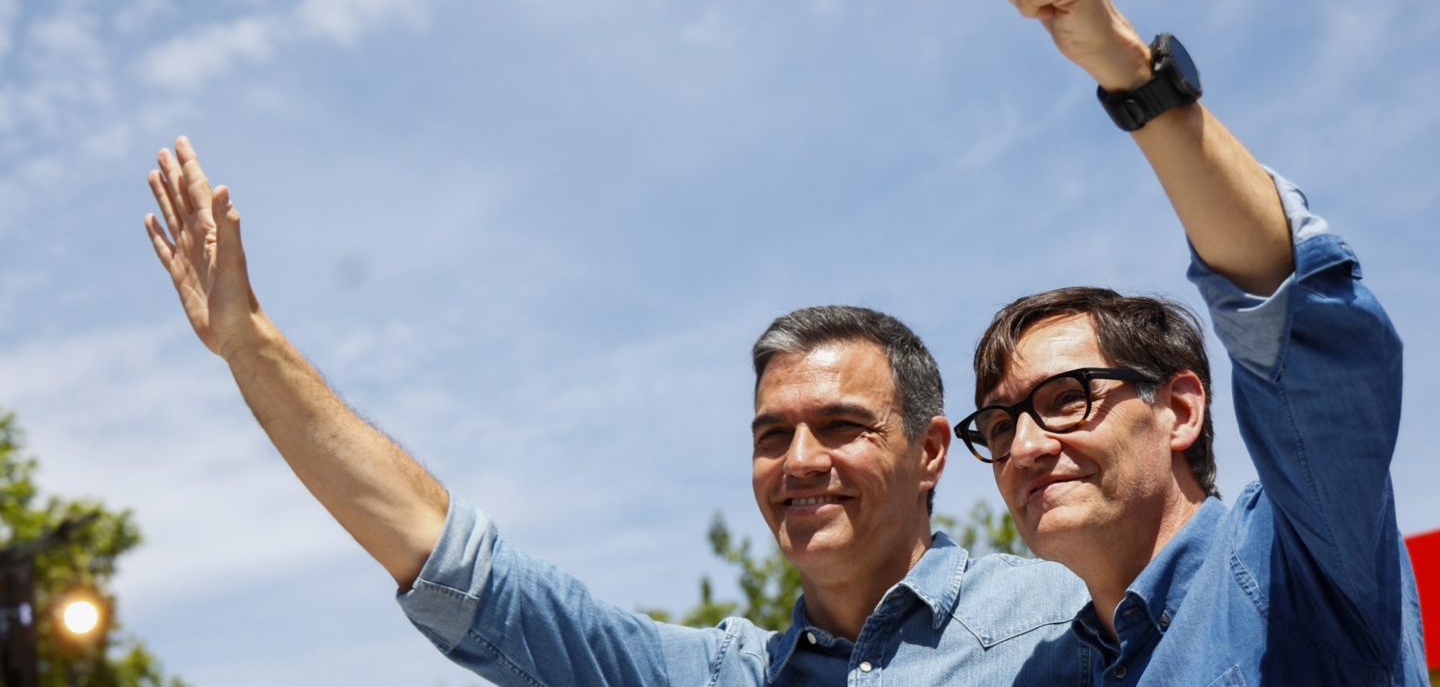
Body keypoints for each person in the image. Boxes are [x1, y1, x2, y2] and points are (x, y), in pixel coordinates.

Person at [143, 190, 1087, 676]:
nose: (801, 464)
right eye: (772, 436)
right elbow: (467, 576)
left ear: (928, 452)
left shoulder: (1070, 624)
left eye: (841, 427)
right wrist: (251, 348)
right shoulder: (716, 678)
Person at [959, 0, 1428, 683]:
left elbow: (1298, 315)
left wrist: (1128, 70)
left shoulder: (1297, 563)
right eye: (999, 428)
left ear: (1179, 408)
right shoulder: (1042, 670)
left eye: (1065, 398)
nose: (1026, 447)